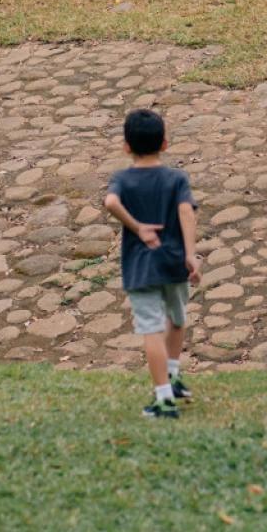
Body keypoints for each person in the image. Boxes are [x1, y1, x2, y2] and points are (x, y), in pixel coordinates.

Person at [102, 108, 200, 419]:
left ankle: (163, 399)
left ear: (126, 146)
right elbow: (186, 212)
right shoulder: (176, 178)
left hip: (141, 267)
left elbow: (110, 202)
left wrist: (137, 227)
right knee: (177, 318)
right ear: (165, 144)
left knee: (151, 331)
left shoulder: (122, 179)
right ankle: (172, 374)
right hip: (174, 262)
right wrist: (190, 253)